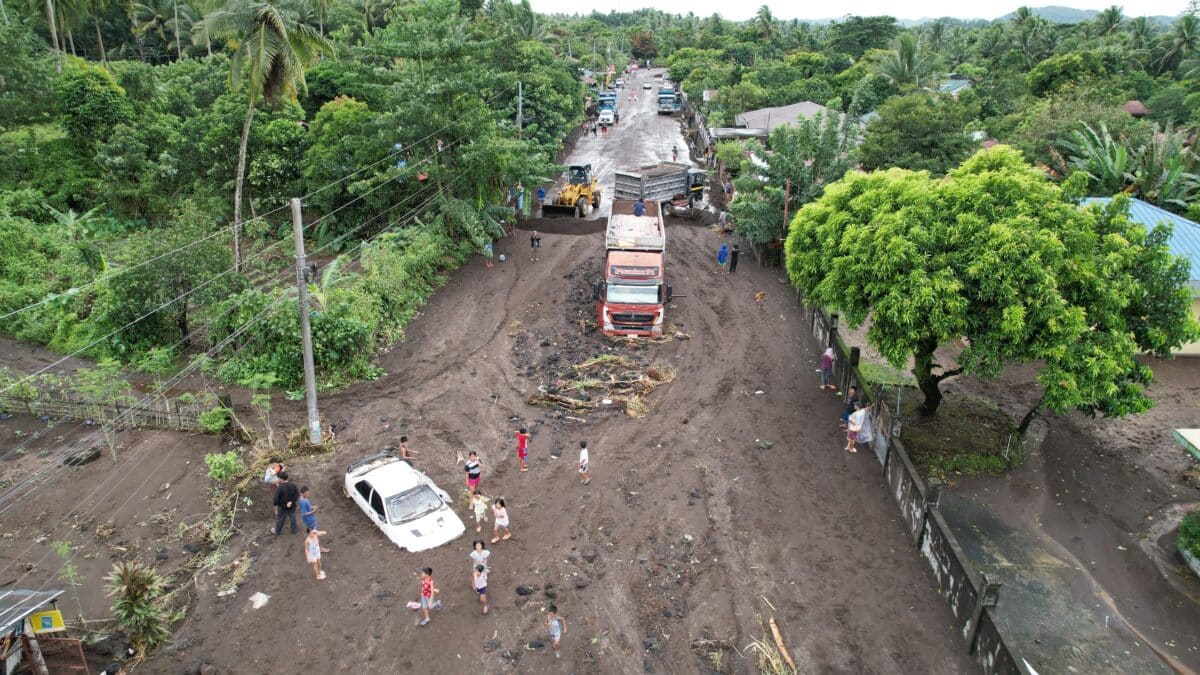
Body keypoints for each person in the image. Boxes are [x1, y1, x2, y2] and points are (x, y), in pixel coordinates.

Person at [298, 487, 327, 551]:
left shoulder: (303, 498)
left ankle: (309, 541)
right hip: (310, 520)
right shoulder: (303, 502)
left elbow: (308, 507)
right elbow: (304, 513)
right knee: (315, 534)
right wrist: (313, 511)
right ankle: (318, 548)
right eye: (306, 493)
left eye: (308, 493)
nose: (308, 495)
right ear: (302, 493)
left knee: (310, 530)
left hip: (308, 520)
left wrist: (312, 507)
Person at [273, 471, 300, 535]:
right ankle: (294, 530)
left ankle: (277, 532)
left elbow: (275, 500)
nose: (277, 479)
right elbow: (297, 494)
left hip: (282, 508)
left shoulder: (279, 488)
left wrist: (275, 509)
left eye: (278, 478)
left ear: (281, 479)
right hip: (292, 506)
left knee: (280, 519)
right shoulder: (293, 485)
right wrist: (291, 502)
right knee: (293, 517)